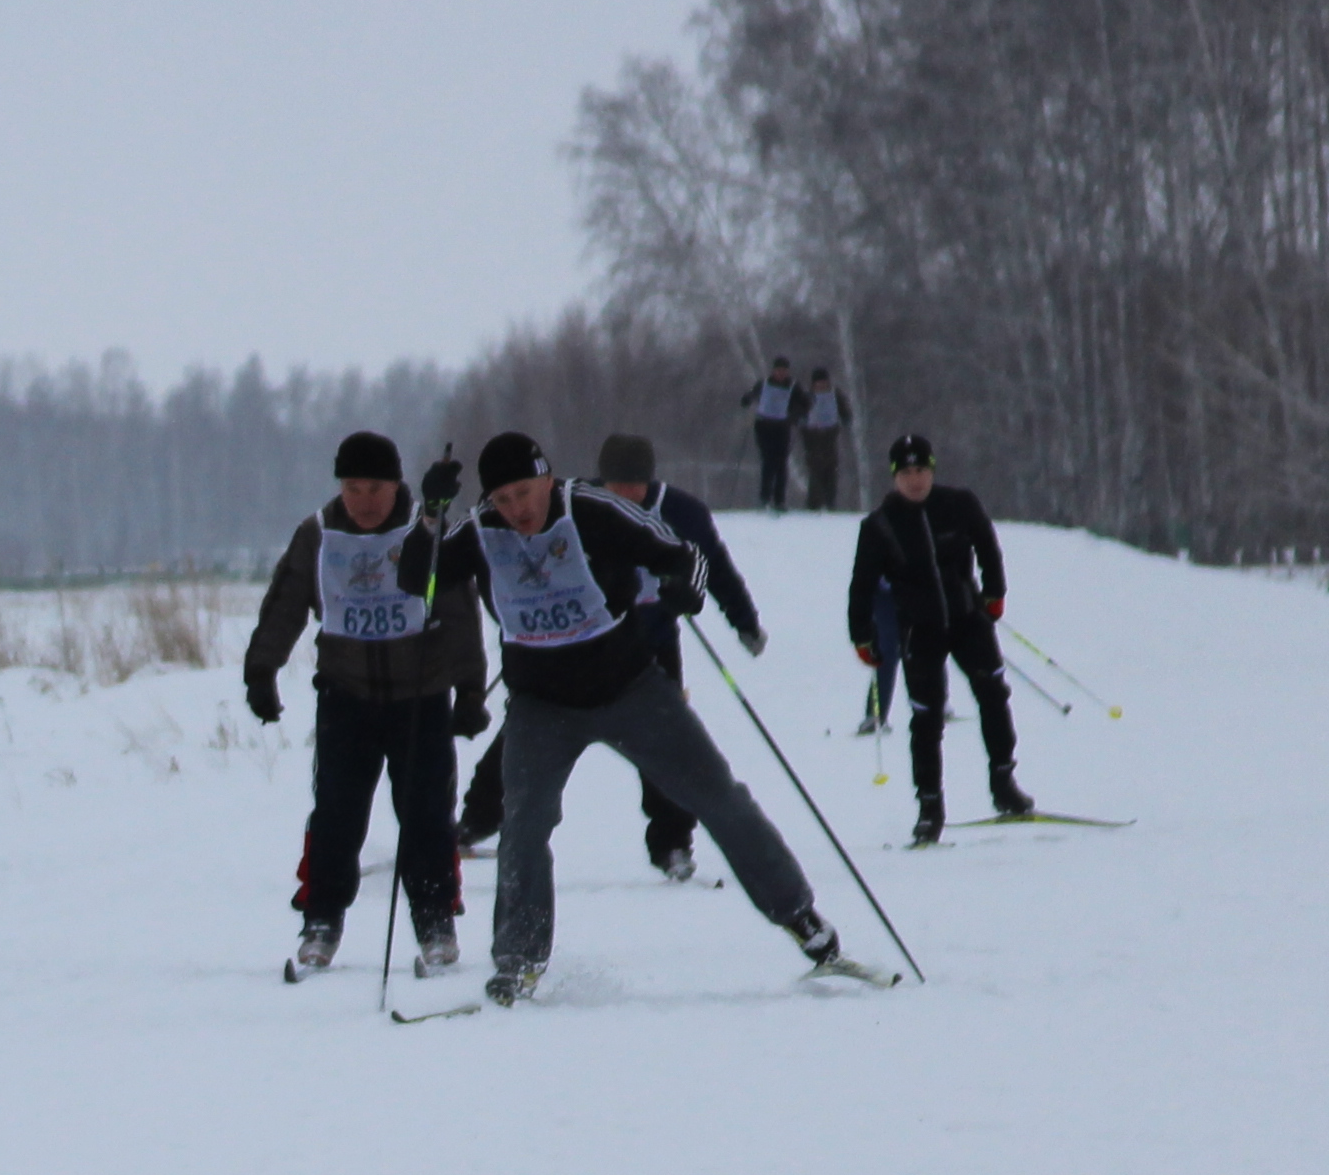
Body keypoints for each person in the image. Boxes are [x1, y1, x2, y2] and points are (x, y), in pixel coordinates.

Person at [434, 431, 866, 1005]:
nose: (517, 510)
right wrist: (432, 514)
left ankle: (801, 918)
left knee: (718, 796)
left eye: (524, 492)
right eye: (503, 499)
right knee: (525, 825)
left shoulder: (590, 508)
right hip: (541, 705)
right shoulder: (479, 529)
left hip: (629, 688)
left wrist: (684, 587)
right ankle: (518, 961)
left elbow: (685, 553)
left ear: (547, 477)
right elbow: (419, 576)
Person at [241, 430, 485, 978]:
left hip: (420, 698)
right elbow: (286, 602)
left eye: (374, 487)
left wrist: (469, 689)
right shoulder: (319, 533)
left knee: (425, 817)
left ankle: (435, 921)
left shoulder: (425, 528)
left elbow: (460, 612)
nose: (364, 500)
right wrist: (262, 671)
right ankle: (321, 921)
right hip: (345, 696)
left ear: (395, 484)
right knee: (336, 816)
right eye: (352, 487)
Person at [581, 430, 762, 883]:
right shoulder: (577, 506)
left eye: (633, 486)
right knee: (535, 731)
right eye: (615, 485)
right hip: (583, 642)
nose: (624, 495)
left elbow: (713, 566)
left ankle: (673, 842)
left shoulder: (682, 512)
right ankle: (479, 819)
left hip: (654, 641)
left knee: (667, 744)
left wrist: (743, 619)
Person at [847, 433, 1029, 844]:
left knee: (993, 694)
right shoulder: (879, 525)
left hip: (968, 619)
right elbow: (861, 584)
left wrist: (995, 593)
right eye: (907, 473)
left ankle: (1004, 783)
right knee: (926, 719)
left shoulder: (959, 504)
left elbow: (988, 546)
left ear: (933, 470)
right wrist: (862, 636)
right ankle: (930, 807)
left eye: (922, 471)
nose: (915, 480)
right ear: (895, 477)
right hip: (919, 629)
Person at [747, 356, 803, 512]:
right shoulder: (764, 383)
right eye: (778, 370)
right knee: (768, 461)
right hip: (764, 425)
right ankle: (764, 498)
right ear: (773, 370)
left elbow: (804, 403)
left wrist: (795, 415)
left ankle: (779, 500)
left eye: (784, 371)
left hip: (782, 427)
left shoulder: (793, 386)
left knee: (781, 464)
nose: (781, 373)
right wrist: (747, 399)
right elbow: (751, 395)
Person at [797, 365, 853, 510]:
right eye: (818, 382)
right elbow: (798, 415)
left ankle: (830, 501)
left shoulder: (835, 395)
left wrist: (846, 419)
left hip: (830, 436)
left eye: (824, 381)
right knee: (815, 471)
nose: (821, 385)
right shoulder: (807, 396)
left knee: (830, 470)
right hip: (812, 438)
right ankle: (814, 503)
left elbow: (845, 411)